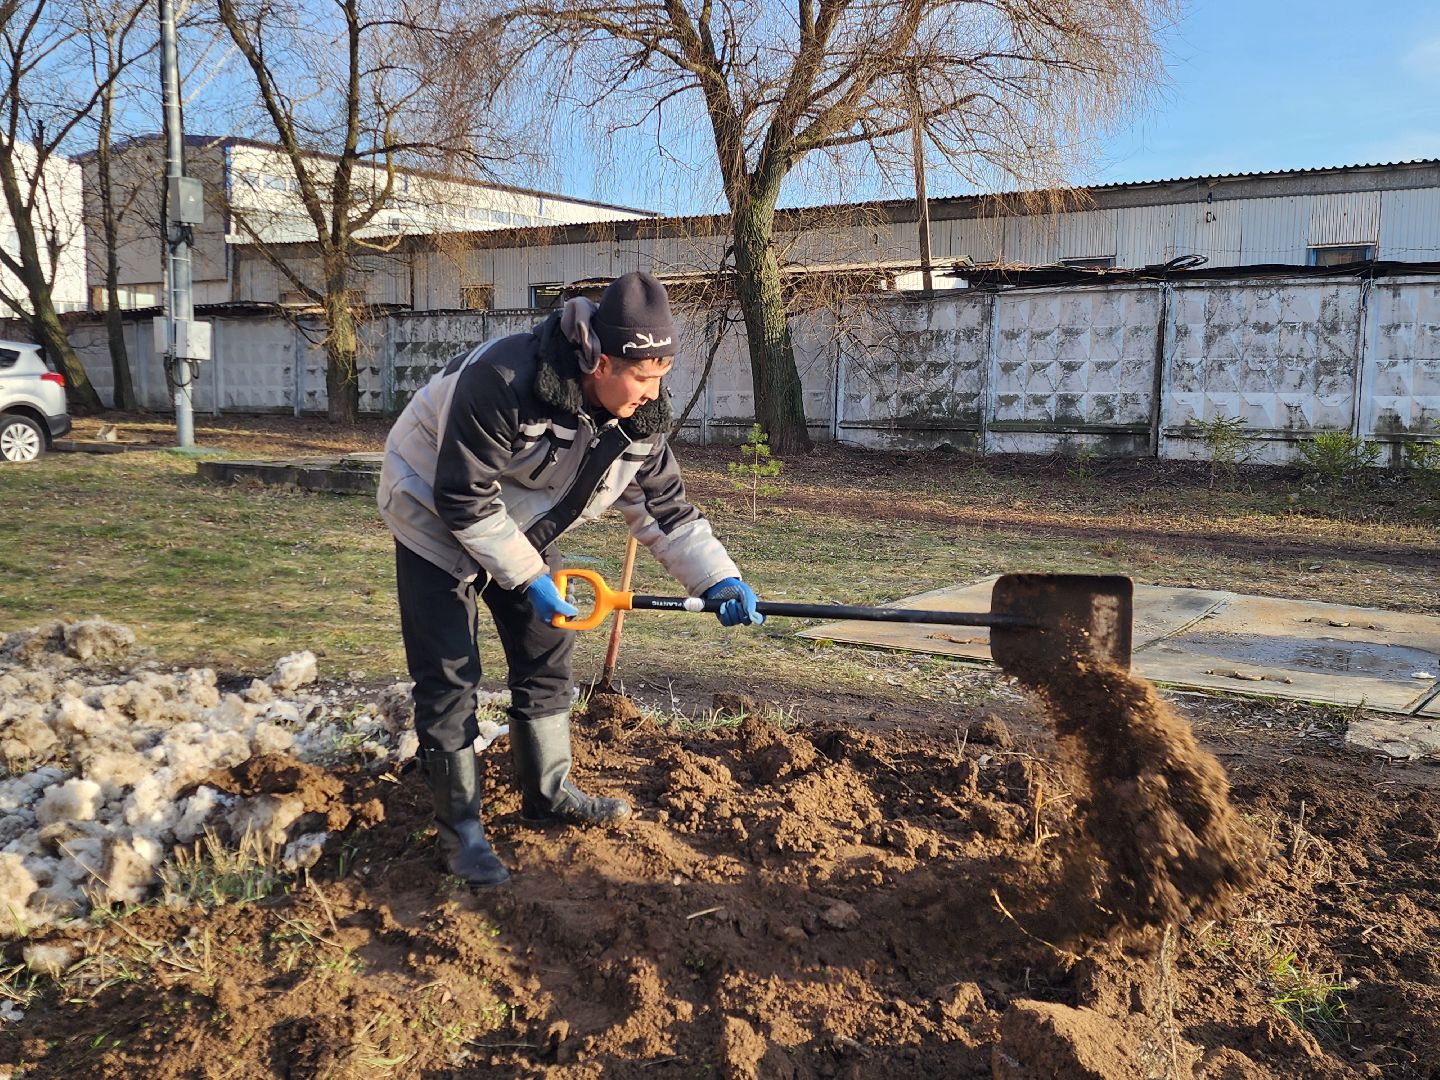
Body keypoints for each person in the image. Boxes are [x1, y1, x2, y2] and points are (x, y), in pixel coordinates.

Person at [378, 271, 763, 887]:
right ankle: (463, 834)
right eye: (642, 377)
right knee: (451, 672)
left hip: (522, 525)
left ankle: (548, 793)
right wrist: (530, 579)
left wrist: (718, 579)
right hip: (432, 506)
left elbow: (667, 513)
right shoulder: (505, 381)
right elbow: (463, 498)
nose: (652, 392)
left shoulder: (642, 417)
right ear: (598, 362)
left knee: (546, 652)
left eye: (661, 376)